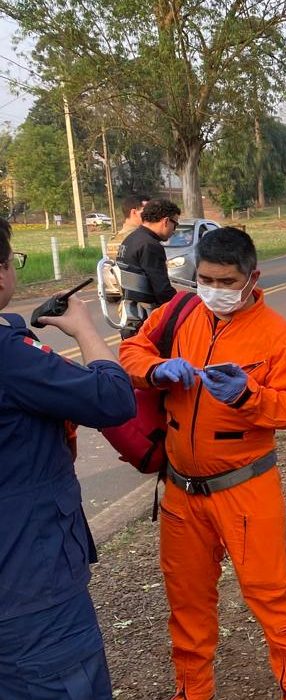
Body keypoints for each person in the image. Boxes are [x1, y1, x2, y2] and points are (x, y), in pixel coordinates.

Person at [118, 227, 286, 700]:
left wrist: (250, 395)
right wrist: (154, 370)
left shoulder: (277, 336)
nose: (215, 290)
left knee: (271, 595)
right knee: (187, 605)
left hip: (245, 488)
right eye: (205, 278)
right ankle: (192, 692)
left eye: (227, 282)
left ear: (252, 278)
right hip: (181, 494)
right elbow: (132, 349)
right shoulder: (180, 312)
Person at [0, 217, 136, 699]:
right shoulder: (11, 358)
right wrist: (84, 330)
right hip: (29, 588)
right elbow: (112, 398)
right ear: (0, 274)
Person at [117, 198, 181, 305]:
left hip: (131, 305)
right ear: (166, 221)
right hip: (148, 310)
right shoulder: (151, 245)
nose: (174, 231)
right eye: (175, 225)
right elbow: (163, 292)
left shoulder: (130, 239)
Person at [106, 192, 151, 260]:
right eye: (147, 211)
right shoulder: (140, 239)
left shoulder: (114, 240)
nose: (151, 215)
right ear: (134, 212)